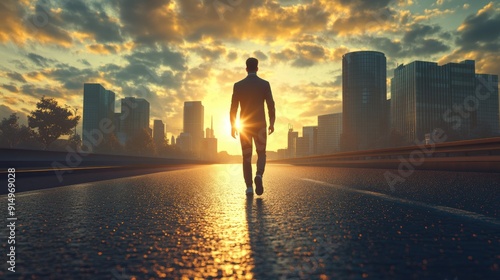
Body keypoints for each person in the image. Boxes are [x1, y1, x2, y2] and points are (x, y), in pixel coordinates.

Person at [230, 57, 276, 196]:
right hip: (260, 125)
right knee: (261, 153)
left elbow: (233, 108)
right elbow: (270, 105)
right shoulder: (264, 84)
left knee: (246, 157)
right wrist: (272, 122)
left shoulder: (238, 85)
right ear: (257, 68)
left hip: (244, 126)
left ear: (246, 69)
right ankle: (259, 175)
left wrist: (233, 125)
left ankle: (249, 187)